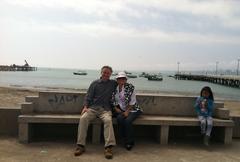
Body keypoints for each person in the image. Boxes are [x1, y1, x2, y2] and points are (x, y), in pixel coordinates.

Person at [74, 65, 117, 159]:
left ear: (111, 74)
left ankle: (108, 147)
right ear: (101, 73)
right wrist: (85, 107)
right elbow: (88, 96)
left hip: (105, 109)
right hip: (93, 108)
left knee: (108, 121)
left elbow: (123, 83)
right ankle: (80, 146)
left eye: (108, 73)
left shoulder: (113, 83)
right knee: (83, 118)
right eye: (104, 72)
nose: (106, 74)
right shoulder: (94, 83)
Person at [111, 72, 142, 151]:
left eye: (123, 78)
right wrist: (115, 108)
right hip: (122, 109)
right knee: (119, 119)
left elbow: (133, 101)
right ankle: (124, 138)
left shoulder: (130, 87)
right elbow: (112, 99)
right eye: (120, 78)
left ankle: (129, 142)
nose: (122, 80)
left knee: (127, 121)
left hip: (133, 109)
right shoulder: (115, 88)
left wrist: (127, 111)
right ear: (117, 80)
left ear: (126, 79)